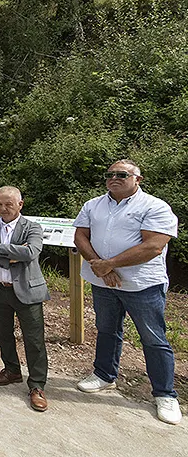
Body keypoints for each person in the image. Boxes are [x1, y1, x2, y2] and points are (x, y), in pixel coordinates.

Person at [73, 159, 181, 425]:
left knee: (154, 338)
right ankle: (104, 375)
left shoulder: (155, 206)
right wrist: (101, 267)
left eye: (122, 174)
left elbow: (153, 246)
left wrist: (110, 264)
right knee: (107, 329)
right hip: (103, 283)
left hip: (142, 285)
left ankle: (165, 393)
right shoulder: (93, 205)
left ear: (138, 179)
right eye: (110, 174)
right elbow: (80, 237)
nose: (114, 178)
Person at [0, 186, 50, 412]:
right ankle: (12, 370)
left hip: (26, 290)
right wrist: (11, 256)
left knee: (34, 340)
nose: (3, 209)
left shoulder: (32, 227)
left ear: (20, 204)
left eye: (9, 204)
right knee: (2, 333)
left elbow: (30, 253)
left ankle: (37, 386)